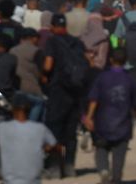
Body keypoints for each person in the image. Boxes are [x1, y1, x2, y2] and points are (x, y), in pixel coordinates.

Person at [85, 48, 136, 184]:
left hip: (102, 122)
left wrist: (89, 117)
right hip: (123, 124)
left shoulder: (102, 77)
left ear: (110, 60)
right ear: (125, 61)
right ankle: (116, 178)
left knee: (101, 149)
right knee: (119, 154)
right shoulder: (130, 80)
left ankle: (103, 169)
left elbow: (94, 99)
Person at [40, 13, 88, 177]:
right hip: (75, 92)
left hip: (58, 91)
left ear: (53, 27)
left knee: (54, 130)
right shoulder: (77, 42)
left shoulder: (52, 42)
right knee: (71, 132)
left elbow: (48, 65)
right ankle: (70, 166)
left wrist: (43, 75)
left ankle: (54, 168)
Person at [0, 94, 57, 184]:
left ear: (13, 108)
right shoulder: (40, 128)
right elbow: (55, 146)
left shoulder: (2, 127)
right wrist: (42, 149)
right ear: (29, 109)